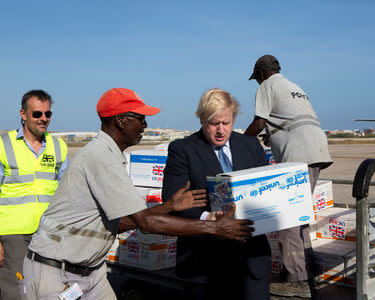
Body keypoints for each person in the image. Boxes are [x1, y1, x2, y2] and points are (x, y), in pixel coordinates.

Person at [22, 88, 254, 300]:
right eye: (140, 118)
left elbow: (118, 223)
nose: (145, 125)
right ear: (122, 121)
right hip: (57, 273)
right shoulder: (102, 158)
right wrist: (214, 228)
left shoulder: (109, 154)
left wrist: (167, 207)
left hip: (90, 272)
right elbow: (145, 223)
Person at [162, 88, 272, 300]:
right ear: (202, 120)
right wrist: (207, 219)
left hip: (251, 261)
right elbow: (171, 201)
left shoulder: (250, 145)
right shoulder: (182, 149)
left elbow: (267, 188)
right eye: (214, 123)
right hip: (205, 262)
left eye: (226, 123)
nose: (221, 130)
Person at [245, 55, 333, 298]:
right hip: (315, 151)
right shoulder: (293, 86)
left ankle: (295, 281)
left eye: (256, 78)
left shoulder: (267, 85)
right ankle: (306, 272)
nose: (257, 83)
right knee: (299, 216)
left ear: (261, 74)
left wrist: (239, 141)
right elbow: (289, 121)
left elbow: (259, 121)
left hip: (299, 156)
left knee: (286, 221)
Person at [0, 90, 69, 300]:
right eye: (37, 114)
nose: (44, 119)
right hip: (14, 233)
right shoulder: (4, 145)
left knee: (48, 290)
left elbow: (67, 194)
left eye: (48, 114)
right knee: (17, 291)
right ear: (23, 114)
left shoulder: (59, 147)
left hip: (48, 233)